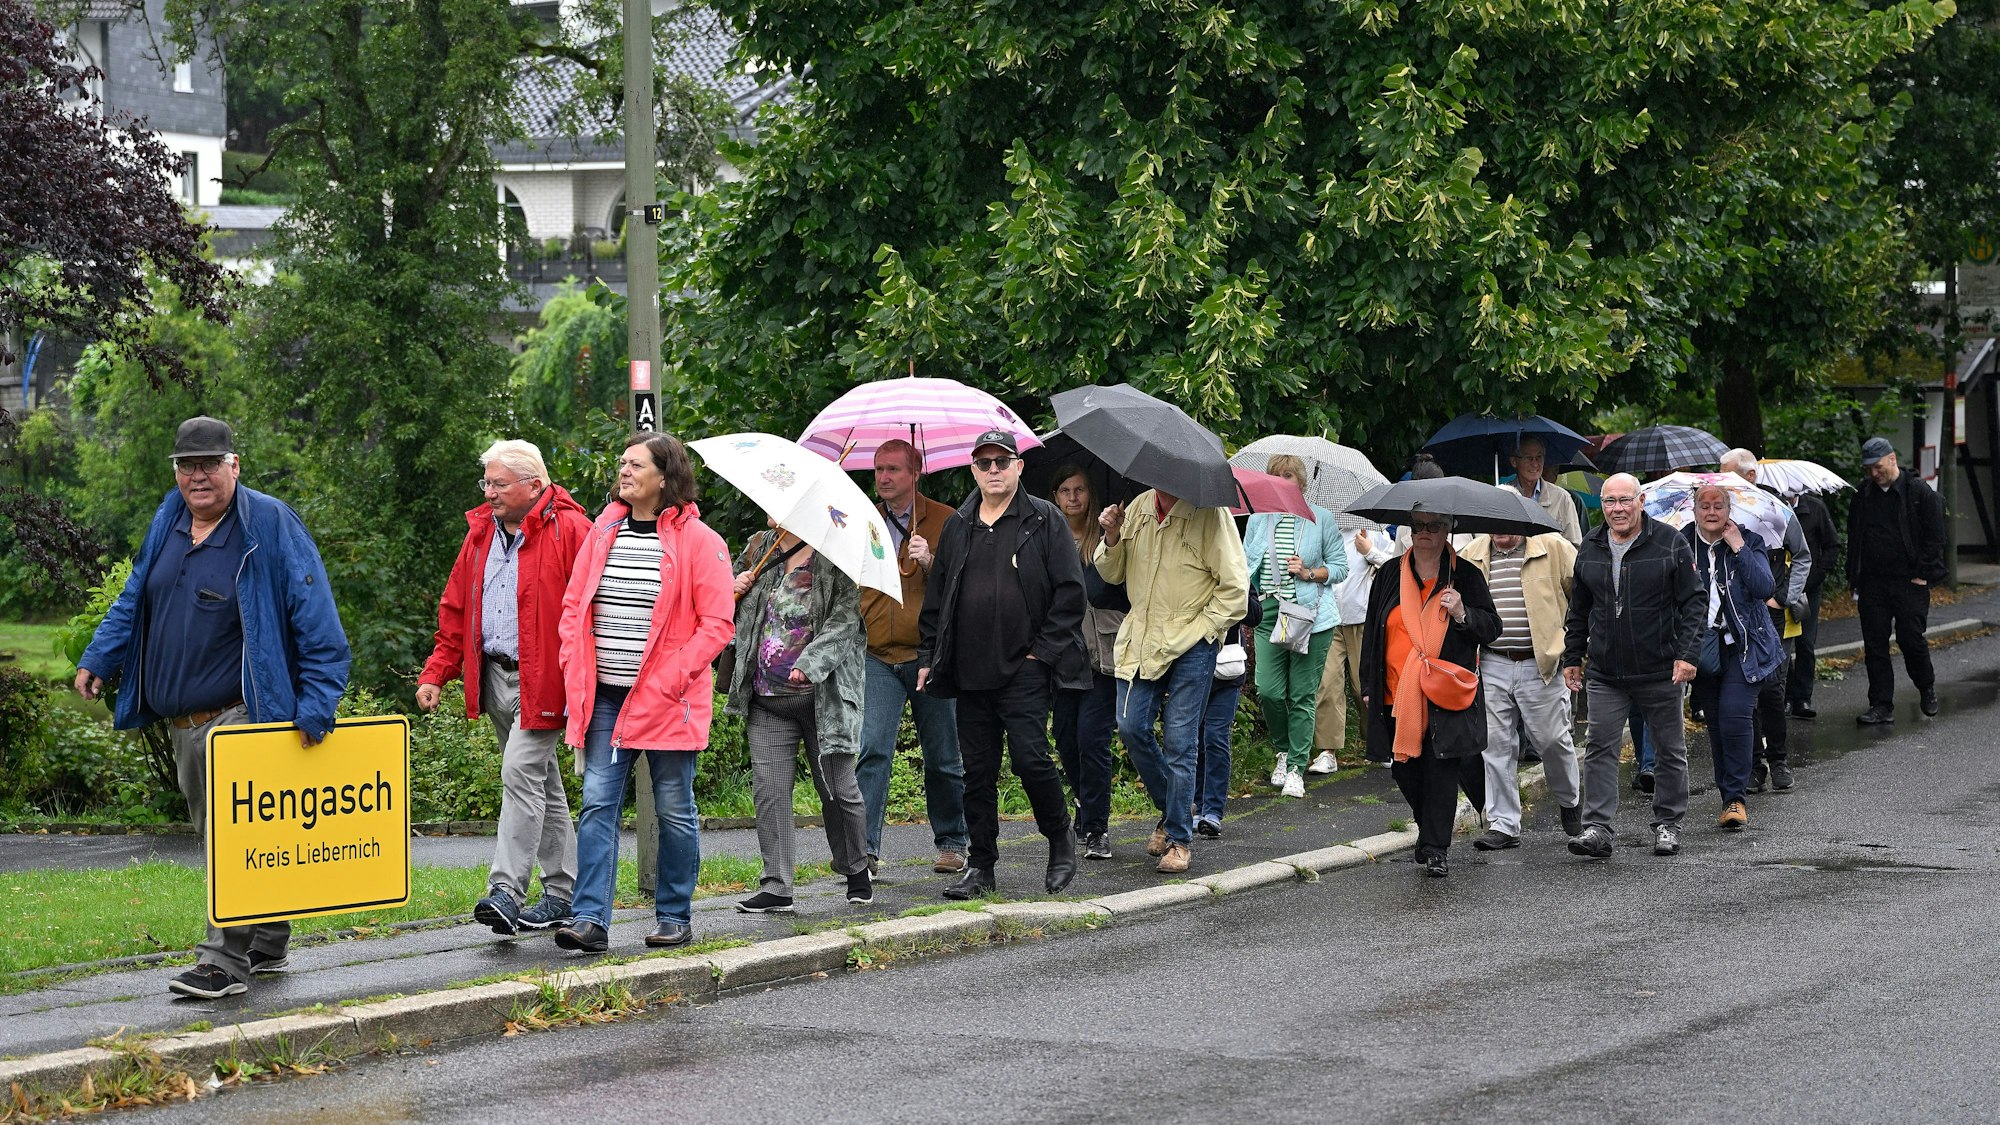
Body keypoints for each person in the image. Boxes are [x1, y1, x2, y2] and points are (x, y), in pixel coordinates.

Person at [75, 416, 350, 999]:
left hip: (241, 717)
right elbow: (136, 595)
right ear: (176, 471)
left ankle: (222, 961)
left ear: (235, 465)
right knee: (226, 839)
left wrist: (316, 707)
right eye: (186, 465)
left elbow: (319, 625)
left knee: (231, 844)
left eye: (210, 463)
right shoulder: (169, 520)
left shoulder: (269, 525)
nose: (198, 475)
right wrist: (101, 655)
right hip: (184, 725)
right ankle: (268, 936)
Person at [554, 433, 734, 953]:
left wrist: (670, 679)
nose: (624, 470)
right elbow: (574, 607)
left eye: (636, 464)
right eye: (623, 463)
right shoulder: (603, 529)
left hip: (667, 702)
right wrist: (573, 664)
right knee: (596, 804)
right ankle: (590, 919)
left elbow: (717, 625)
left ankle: (674, 915)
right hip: (606, 698)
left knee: (675, 809)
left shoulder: (702, 541)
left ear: (664, 476)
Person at [417, 440, 591, 936]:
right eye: (486, 482)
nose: (488, 492)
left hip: (546, 678)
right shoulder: (480, 536)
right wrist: (436, 672)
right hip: (495, 675)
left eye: (498, 483)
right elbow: (456, 610)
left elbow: (595, 607)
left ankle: (506, 891)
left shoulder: (572, 529)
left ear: (533, 485)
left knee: (519, 772)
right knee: (542, 786)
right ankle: (563, 892)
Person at [916, 430, 1088, 899]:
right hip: (969, 670)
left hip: (1025, 668)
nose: (993, 469)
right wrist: (930, 657)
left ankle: (1060, 839)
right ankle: (982, 866)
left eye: (1002, 461)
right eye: (984, 462)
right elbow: (937, 600)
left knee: (1031, 760)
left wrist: (1043, 653)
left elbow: (1071, 594)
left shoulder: (1044, 519)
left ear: (1018, 467)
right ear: (973, 469)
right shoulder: (958, 525)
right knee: (977, 771)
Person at [1097, 476, 1251, 875]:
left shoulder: (1211, 514)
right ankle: (1174, 807)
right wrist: (1112, 536)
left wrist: (1205, 630)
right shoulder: (1139, 507)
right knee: (1130, 726)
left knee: (1182, 741)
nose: (1159, 481)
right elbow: (1112, 575)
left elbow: (1235, 589)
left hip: (1193, 641)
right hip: (1143, 637)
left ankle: (1180, 839)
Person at [724, 521, 873, 913]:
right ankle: (777, 885)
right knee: (770, 793)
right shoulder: (759, 550)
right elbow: (729, 615)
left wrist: (810, 664)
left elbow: (844, 623)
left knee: (838, 790)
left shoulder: (833, 556)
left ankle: (856, 868)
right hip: (766, 697)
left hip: (822, 698)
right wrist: (731, 592)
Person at [1563, 472, 1706, 860]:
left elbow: (1695, 602)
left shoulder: (1670, 543)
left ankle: (1667, 824)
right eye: (1610, 502)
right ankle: (1597, 829)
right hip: (1606, 671)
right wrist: (1572, 656)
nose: (1618, 509)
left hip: (1661, 666)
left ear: (1641, 501)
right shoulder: (1590, 545)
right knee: (1599, 747)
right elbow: (1579, 608)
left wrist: (1687, 654)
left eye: (1625, 500)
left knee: (1669, 750)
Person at [1359, 513, 1500, 877]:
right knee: (1405, 771)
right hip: (1395, 692)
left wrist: (1462, 612)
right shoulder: (1389, 574)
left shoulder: (1465, 575)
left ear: (1446, 529)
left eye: (1433, 526)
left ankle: (1437, 848)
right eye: (1418, 526)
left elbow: (1491, 628)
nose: (1424, 533)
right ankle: (1429, 831)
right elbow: (1373, 629)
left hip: (1444, 694)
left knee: (1440, 770)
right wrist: (1367, 685)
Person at [855, 439, 970, 875]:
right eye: (879, 469)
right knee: (871, 751)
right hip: (875, 654)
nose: (883, 478)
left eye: (893, 470)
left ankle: (952, 842)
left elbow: (966, 584)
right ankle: (863, 851)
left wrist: (931, 561)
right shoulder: (863, 520)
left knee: (942, 754)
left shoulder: (946, 520)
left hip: (930, 655)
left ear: (915, 472)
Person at [1460, 524, 1582, 848]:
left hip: (1541, 663)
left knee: (1552, 741)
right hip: (1492, 660)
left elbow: (1583, 596)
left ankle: (1570, 799)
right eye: (1492, 525)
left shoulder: (1553, 547)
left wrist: (1574, 647)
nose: (1499, 532)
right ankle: (1503, 824)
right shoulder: (1471, 555)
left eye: (1506, 525)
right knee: (1495, 745)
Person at [1243, 455, 1348, 798]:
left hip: (1310, 614)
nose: (1282, 481)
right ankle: (1284, 750)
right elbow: (1244, 564)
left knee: (1302, 694)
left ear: (1302, 482)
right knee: (1269, 691)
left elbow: (1340, 567)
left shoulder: (1321, 518)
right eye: (1275, 476)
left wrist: (1309, 573)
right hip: (1270, 611)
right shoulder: (1259, 519)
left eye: (1288, 476)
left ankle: (1296, 770)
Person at [1683, 485, 1782, 831]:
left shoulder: (1749, 540)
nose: (1712, 512)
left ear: (1729, 509)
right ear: (1694, 509)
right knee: (1715, 725)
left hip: (1743, 646)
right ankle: (1729, 793)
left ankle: (1735, 799)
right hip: (1702, 648)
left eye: (1718, 506)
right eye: (1705, 506)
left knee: (1735, 717)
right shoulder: (1681, 544)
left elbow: (1763, 587)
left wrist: (1737, 547)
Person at [1719, 449, 1811, 794]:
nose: (1721, 483)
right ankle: (1754, 764)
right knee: (1745, 691)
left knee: (1772, 690)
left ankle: (1779, 760)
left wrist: (1784, 595)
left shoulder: (1775, 510)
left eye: (1727, 475)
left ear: (1750, 476)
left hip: (1767, 611)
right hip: (1732, 615)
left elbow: (1802, 555)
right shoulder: (1717, 509)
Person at [1049, 466, 1123, 860]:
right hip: (1061, 655)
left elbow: (1103, 588)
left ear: (1090, 494)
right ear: (1056, 495)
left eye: (1079, 489)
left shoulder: (1108, 538)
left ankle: (1096, 828)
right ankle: (1084, 804)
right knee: (1065, 738)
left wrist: (1110, 537)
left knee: (1093, 739)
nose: (1073, 497)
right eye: (1065, 489)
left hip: (1101, 653)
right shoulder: (1046, 536)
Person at [1848, 437, 1947, 724]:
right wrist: (1854, 576)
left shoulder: (1918, 492)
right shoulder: (1864, 495)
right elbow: (1856, 537)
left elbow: (1935, 536)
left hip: (1909, 581)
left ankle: (1926, 687)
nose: (1873, 473)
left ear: (1892, 459)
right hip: (1873, 583)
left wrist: (1922, 574)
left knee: (1910, 638)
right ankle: (1881, 705)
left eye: (1877, 466)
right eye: (1869, 468)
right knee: (1875, 644)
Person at [1313, 525, 1393, 773]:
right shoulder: (1320, 532)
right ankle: (1328, 751)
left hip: (1363, 620)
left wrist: (1369, 551)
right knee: (1327, 686)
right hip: (1327, 620)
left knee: (1364, 688)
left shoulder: (1373, 532)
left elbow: (1394, 567)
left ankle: (1378, 744)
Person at [1195, 586, 1262, 837]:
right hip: (1191, 669)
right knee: (1194, 740)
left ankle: (1212, 811)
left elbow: (1255, 615)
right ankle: (1197, 806)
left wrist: (1235, 584)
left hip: (1226, 669)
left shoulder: (1235, 568)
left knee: (1214, 737)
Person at [1785, 487, 1841, 718]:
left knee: (1806, 644)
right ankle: (1786, 696)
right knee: (1783, 645)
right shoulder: (1772, 508)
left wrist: (1817, 575)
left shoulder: (1815, 508)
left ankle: (1803, 698)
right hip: (1781, 588)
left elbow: (1832, 545)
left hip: (1808, 589)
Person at [1505, 436, 1584, 546]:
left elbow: (1575, 544)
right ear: (1514, 461)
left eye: (1539, 457)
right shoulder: (1503, 496)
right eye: (1529, 458)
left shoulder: (1561, 498)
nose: (1535, 464)